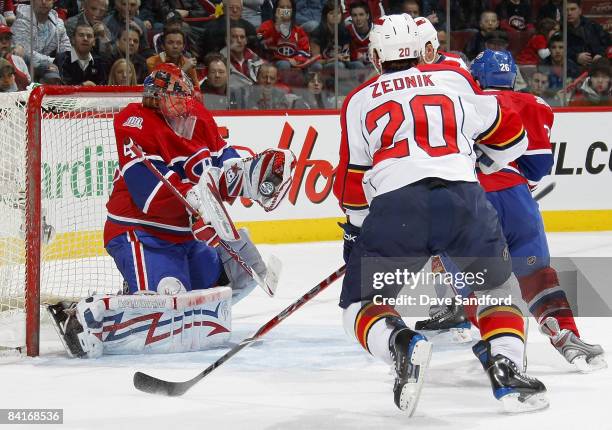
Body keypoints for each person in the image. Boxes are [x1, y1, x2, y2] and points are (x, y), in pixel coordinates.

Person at [333, 14, 547, 415]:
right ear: (420, 50)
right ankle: (508, 369)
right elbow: (513, 139)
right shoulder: (453, 78)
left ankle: (401, 344)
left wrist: (358, 231)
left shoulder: (359, 99)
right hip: (464, 201)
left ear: (376, 56)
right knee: (496, 293)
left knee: (359, 305)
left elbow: (350, 181)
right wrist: (481, 163)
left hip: (397, 208)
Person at [48, 63, 295, 358]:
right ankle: (88, 318)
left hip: (188, 239)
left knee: (242, 274)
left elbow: (224, 164)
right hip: (142, 234)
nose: (178, 105)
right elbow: (148, 193)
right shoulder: (134, 121)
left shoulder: (199, 118)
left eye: (182, 97)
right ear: (153, 97)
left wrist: (248, 176)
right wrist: (196, 204)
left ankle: (138, 298)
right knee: (170, 300)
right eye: (167, 97)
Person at [469, 50, 605, 371]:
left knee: (482, 285)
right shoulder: (532, 104)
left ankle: (499, 347)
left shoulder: (457, 102)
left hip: (469, 198)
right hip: (517, 197)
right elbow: (539, 164)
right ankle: (566, 335)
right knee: (537, 276)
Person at [12, 0, 72, 82]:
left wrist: (62, 63)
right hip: (24, 70)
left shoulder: (59, 24)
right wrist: (52, 61)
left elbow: (66, 50)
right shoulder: (21, 22)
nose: (44, 2)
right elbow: (25, 52)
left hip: (50, 72)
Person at [257, 0, 316, 70]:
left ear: (292, 11)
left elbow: (305, 51)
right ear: (276, 10)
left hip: (294, 61)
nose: (285, 10)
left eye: (288, 7)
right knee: (284, 64)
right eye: (282, 7)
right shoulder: (266, 25)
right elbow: (261, 43)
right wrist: (278, 25)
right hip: (273, 61)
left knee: (316, 65)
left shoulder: (298, 30)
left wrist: (297, 60)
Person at [0, 24, 30, 90]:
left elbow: (26, 85)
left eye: (7, 38)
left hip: (18, 97)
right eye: (0, 39)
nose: (4, 42)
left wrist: (10, 63)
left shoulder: (18, 60)